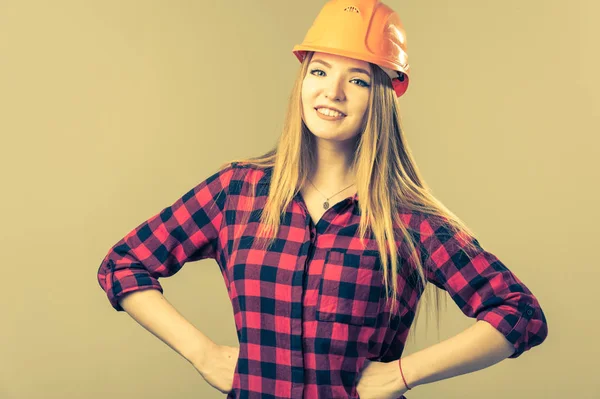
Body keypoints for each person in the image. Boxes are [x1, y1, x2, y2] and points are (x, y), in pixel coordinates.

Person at [96, 1, 548, 398]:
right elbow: (123, 265)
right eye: (319, 71)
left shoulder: (409, 221)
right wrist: (204, 354)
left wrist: (402, 376)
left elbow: (520, 313)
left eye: (358, 80)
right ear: (302, 81)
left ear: (383, 98)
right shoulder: (239, 192)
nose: (332, 92)